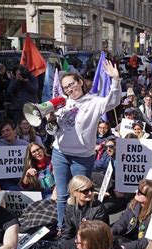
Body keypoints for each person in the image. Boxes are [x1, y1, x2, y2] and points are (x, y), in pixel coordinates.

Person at [49, 60, 120, 231]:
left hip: (82, 157)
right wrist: (50, 120)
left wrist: (116, 79)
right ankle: (62, 228)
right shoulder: (62, 103)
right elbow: (52, 131)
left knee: (82, 195)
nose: (69, 89)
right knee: (62, 195)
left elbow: (114, 101)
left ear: (80, 82)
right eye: (66, 87)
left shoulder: (94, 102)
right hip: (60, 153)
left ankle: (81, 228)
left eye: (71, 84)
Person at [22, 220, 128, 249]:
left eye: (80, 243)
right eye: (77, 240)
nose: (76, 244)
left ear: (94, 245)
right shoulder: (76, 243)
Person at [111, 180, 152, 249]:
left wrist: (125, 247)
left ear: (149, 197)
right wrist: (106, 233)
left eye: (140, 192)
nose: (136, 192)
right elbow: (121, 224)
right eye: (137, 189)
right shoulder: (133, 205)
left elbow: (145, 242)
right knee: (112, 240)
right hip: (130, 241)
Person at [61, 175, 109, 240]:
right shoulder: (70, 206)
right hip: (76, 242)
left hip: (93, 243)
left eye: (91, 189)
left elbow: (96, 235)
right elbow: (67, 232)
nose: (89, 193)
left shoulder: (99, 208)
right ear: (74, 192)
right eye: (85, 191)